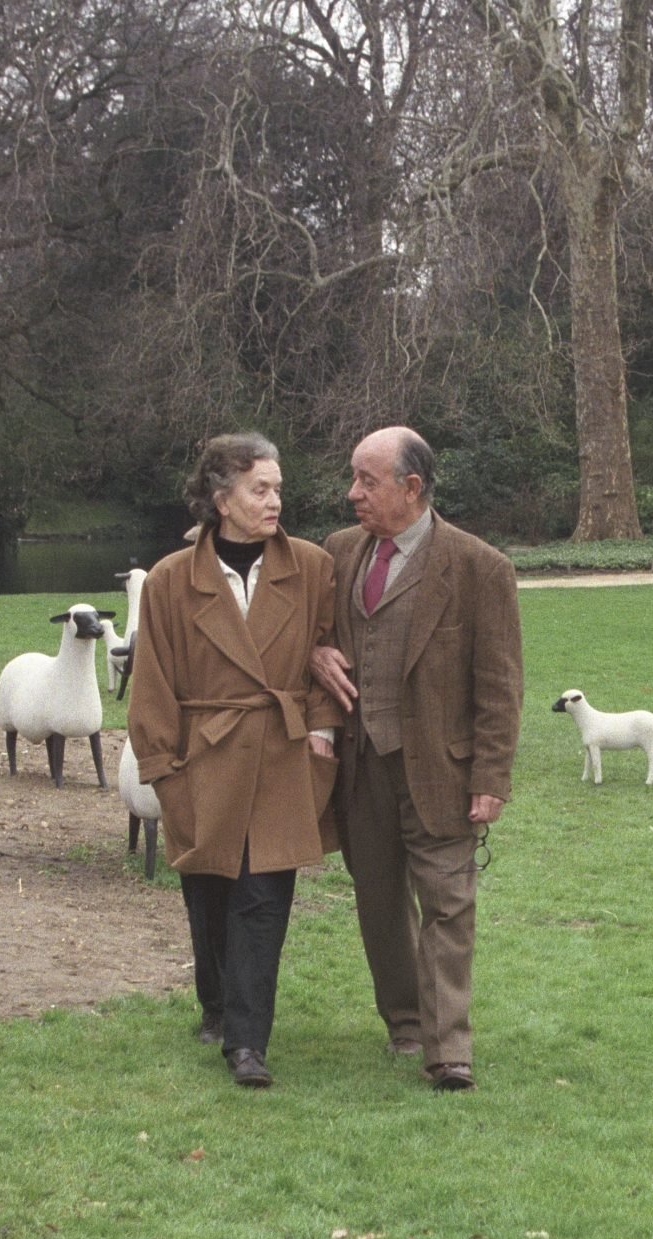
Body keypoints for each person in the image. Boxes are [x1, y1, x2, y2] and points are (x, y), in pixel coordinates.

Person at [126, 433, 342, 1088]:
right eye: (261, 489)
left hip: (281, 752)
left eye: (278, 488)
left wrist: (324, 732)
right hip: (204, 756)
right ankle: (216, 1004)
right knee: (210, 893)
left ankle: (247, 1042)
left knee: (263, 896)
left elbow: (330, 653)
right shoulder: (169, 580)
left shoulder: (309, 567)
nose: (276, 500)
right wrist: (164, 766)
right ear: (221, 498)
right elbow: (153, 680)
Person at [311, 426, 522, 1091]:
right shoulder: (339, 553)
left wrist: (490, 777)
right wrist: (317, 652)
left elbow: (500, 683)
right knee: (378, 902)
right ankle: (404, 1022)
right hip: (361, 765)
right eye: (353, 478)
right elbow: (313, 634)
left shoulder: (478, 566)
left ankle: (447, 1049)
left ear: (411, 487)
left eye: (366, 481)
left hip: (441, 768)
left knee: (448, 902)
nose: (353, 494)